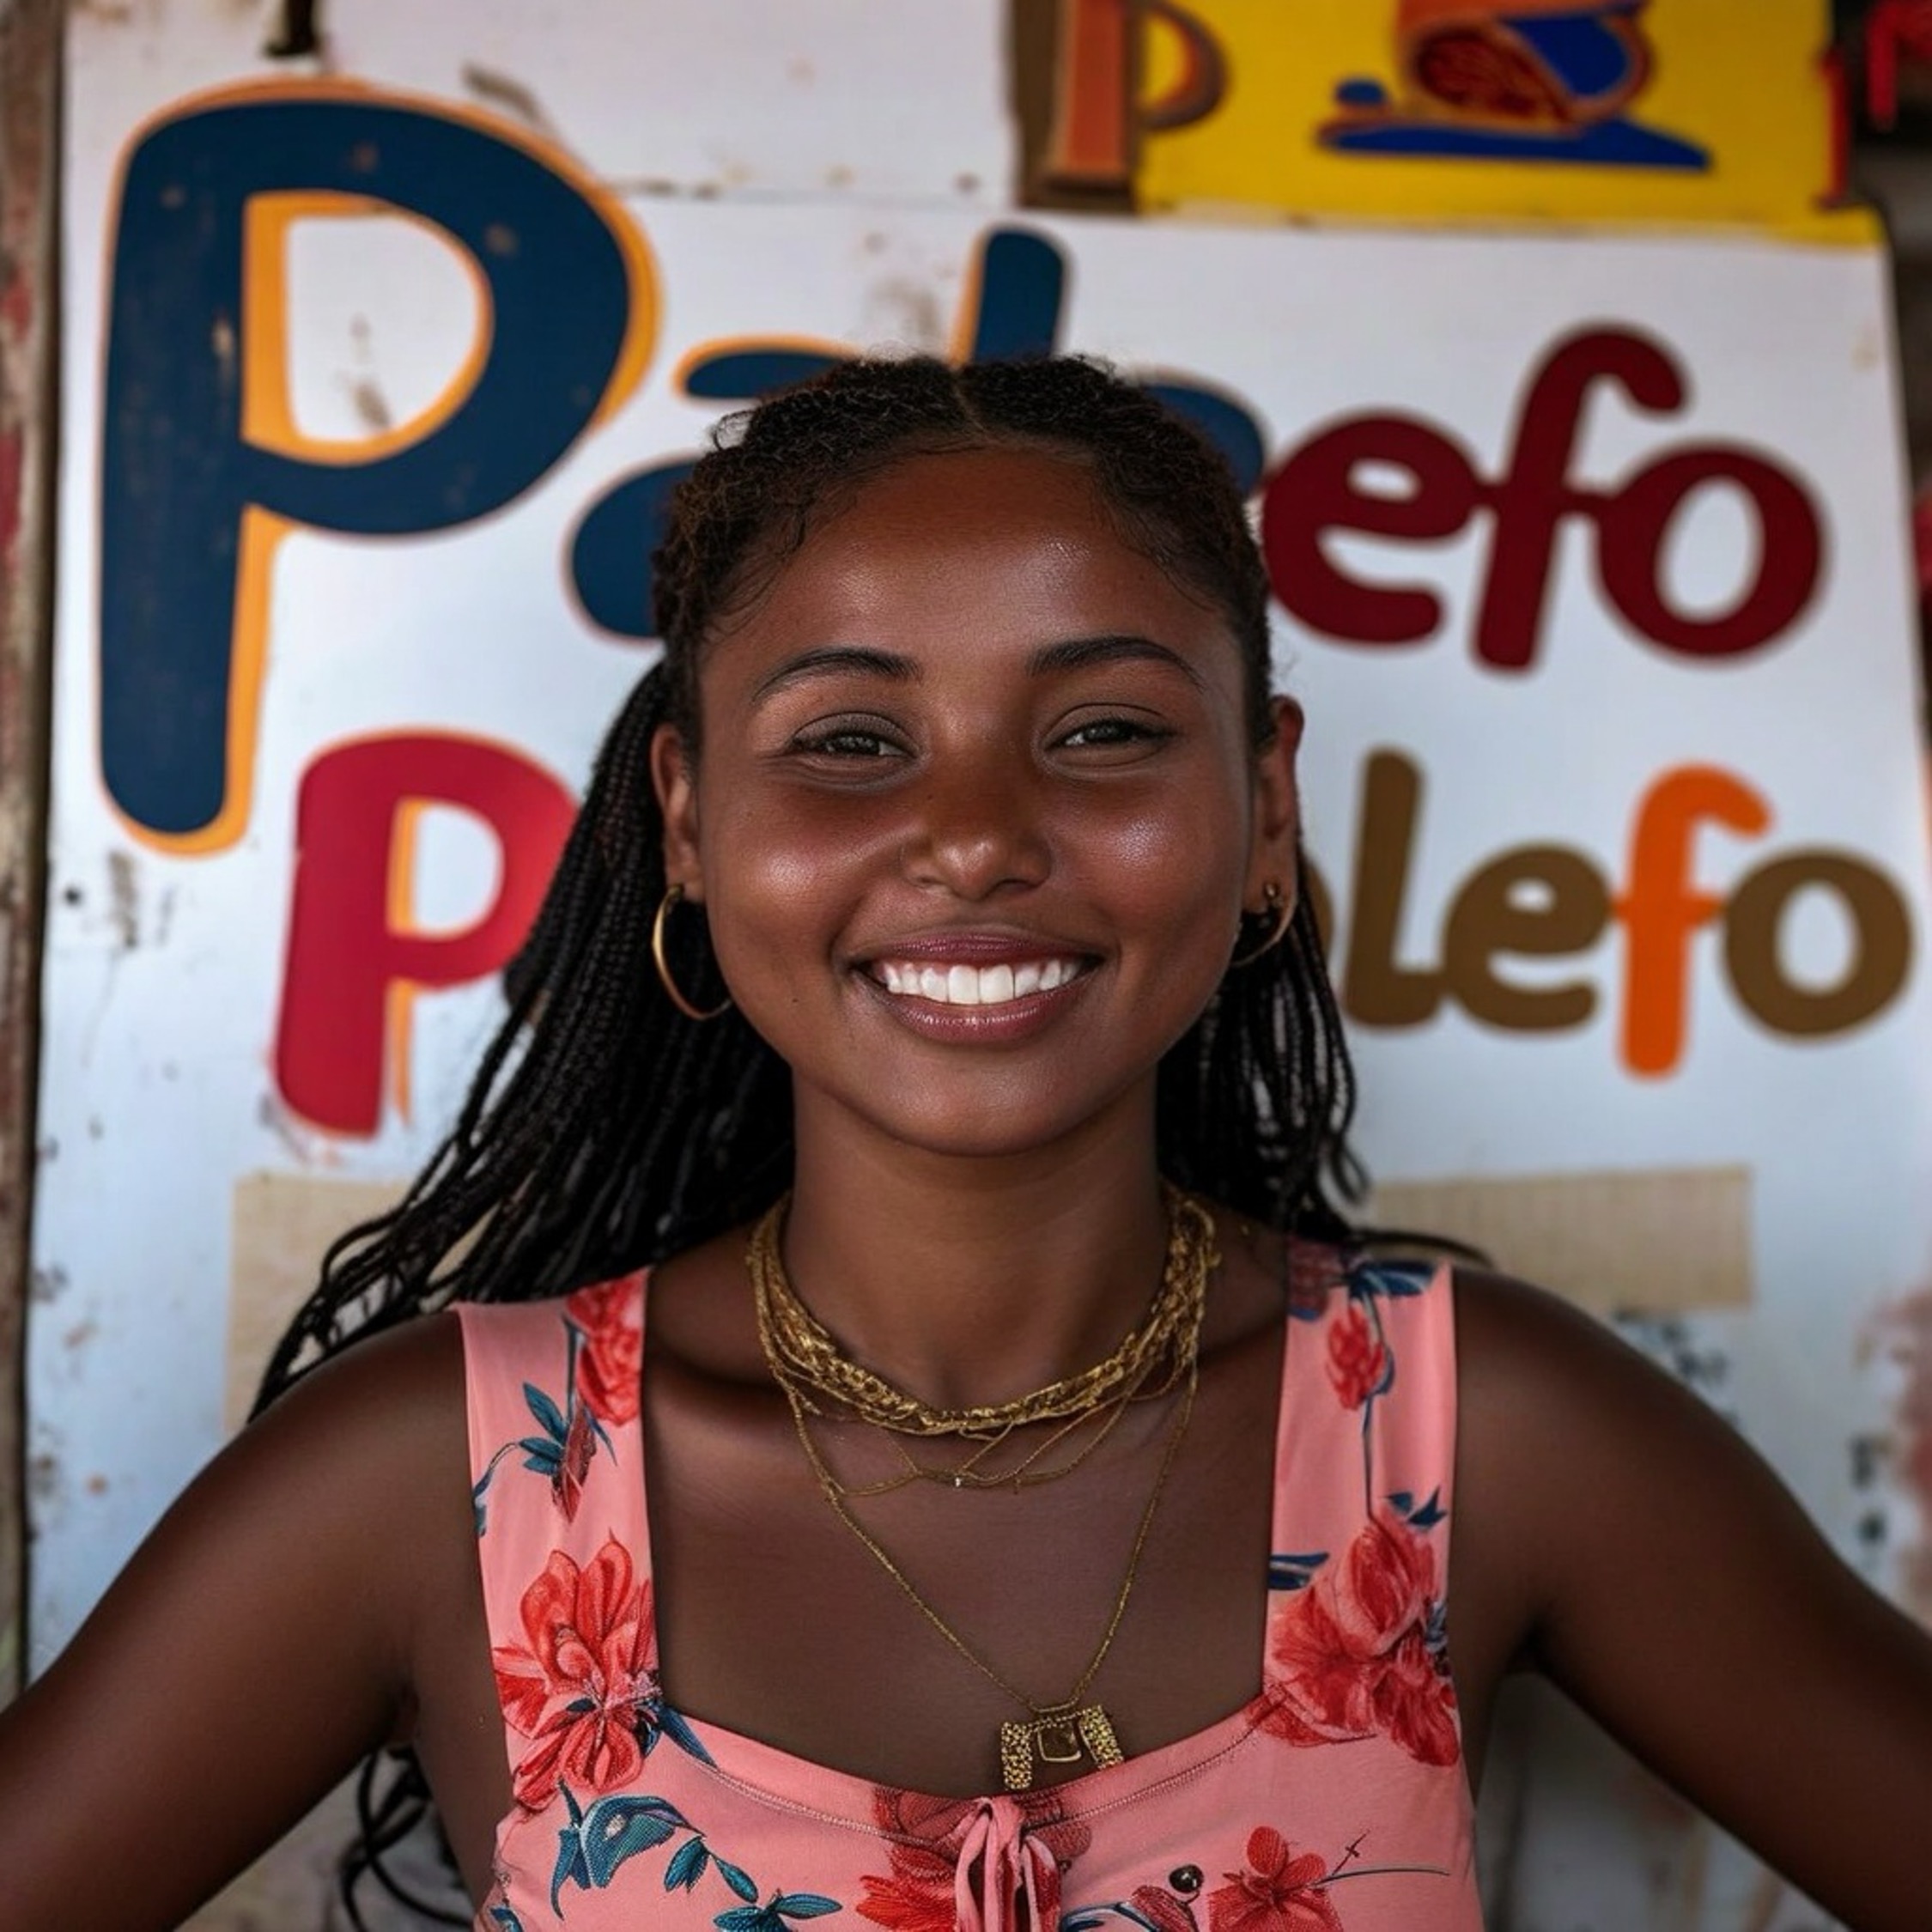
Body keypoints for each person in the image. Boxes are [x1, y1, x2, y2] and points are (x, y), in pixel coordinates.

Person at [2, 355, 1929, 1932]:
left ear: (1265, 806)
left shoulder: (1465, 1434)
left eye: (1101, 734)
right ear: (686, 818)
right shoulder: (448, 1479)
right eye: (850, 742)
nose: (980, 834)